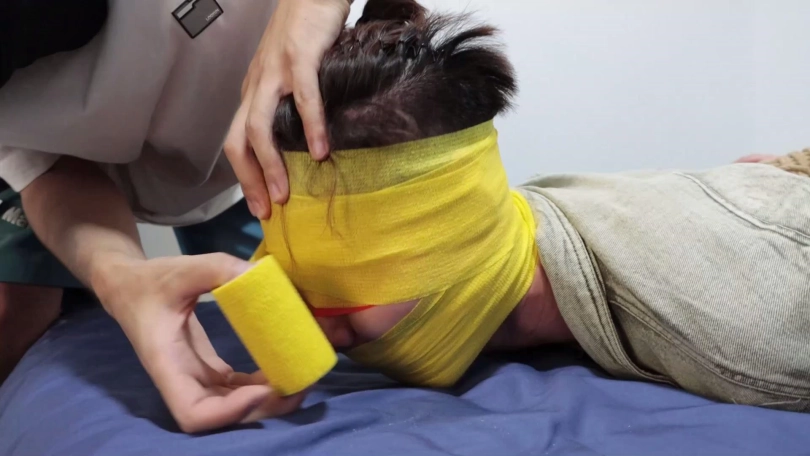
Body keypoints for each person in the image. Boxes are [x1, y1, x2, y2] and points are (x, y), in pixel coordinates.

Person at [255, 0, 810, 413]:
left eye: (344, 290)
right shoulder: (517, 222)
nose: (323, 332)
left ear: (448, 235)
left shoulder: (747, 335)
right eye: (296, 279)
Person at [0, 0, 355, 433]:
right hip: (102, 165)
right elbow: (47, 165)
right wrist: (119, 277)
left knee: (332, 302)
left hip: (263, 138)